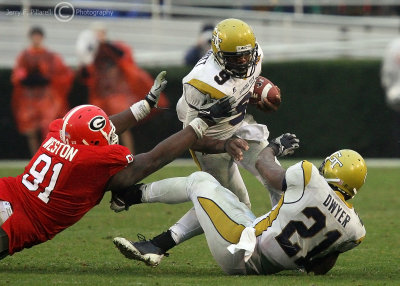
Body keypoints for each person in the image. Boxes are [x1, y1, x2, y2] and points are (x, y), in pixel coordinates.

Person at [0, 71, 242, 260]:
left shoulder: (59, 132)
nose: (110, 134)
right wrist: (203, 121)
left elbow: (98, 128)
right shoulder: (89, 162)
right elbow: (153, 159)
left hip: (8, 191)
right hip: (19, 222)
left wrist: (145, 105)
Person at [113, 134, 367, 275]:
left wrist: (273, 148)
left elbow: (265, 169)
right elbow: (320, 267)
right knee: (222, 198)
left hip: (239, 251)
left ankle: (131, 194)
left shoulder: (310, 176)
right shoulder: (356, 230)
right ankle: (156, 245)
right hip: (262, 255)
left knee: (200, 181)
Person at [143, 18, 280, 252]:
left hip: (240, 125)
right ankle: (160, 242)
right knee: (233, 206)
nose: (244, 61)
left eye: (246, 55)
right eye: (236, 58)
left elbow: (246, 83)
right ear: (217, 54)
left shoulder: (255, 55)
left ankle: (285, 238)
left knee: (278, 180)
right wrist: (225, 144)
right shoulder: (200, 82)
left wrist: (260, 94)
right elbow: (191, 137)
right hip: (212, 138)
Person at [77, 22, 169, 153]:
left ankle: (128, 154)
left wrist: (104, 44)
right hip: (102, 96)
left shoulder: (113, 47)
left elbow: (123, 57)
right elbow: (86, 75)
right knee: (101, 129)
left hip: (117, 95)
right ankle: (105, 154)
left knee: (123, 126)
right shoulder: (92, 52)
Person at [11, 26, 74, 156]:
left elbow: (61, 74)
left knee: (47, 127)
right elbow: (18, 75)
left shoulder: (50, 56)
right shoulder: (24, 56)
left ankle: (47, 154)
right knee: (31, 129)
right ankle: (36, 155)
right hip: (29, 98)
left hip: (45, 98)